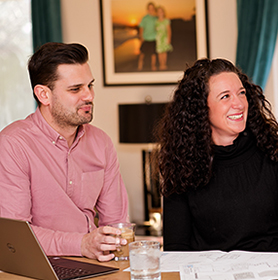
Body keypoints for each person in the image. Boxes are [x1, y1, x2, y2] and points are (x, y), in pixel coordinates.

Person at [156, 58, 278, 252]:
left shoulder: (274, 151)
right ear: (201, 108)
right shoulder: (182, 163)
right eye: (225, 96)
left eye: (241, 93)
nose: (239, 104)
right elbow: (176, 248)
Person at [0, 42, 129, 262]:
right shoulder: (13, 144)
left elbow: (117, 223)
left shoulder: (101, 143)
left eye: (90, 85)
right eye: (75, 89)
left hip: (96, 265)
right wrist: (82, 244)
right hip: (36, 267)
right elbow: (16, 237)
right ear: (44, 95)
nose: (89, 96)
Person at [138, 2, 158, 71]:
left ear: (154, 9)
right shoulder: (144, 18)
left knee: (153, 54)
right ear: (147, 9)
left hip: (153, 38)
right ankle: (140, 66)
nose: (151, 10)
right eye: (149, 8)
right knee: (142, 53)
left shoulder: (156, 18)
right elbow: (141, 28)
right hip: (145, 38)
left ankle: (153, 66)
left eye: (152, 8)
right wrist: (141, 37)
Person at [155, 6, 173, 71]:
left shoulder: (166, 20)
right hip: (159, 38)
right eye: (158, 12)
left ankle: (164, 64)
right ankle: (161, 64)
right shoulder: (156, 21)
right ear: (157, 13)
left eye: (161, 11)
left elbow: (169, 30)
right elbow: (155, 30)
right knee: (159, 52)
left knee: (164, 52)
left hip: (165, 37)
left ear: (163, 12)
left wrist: (169, 38)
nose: (160, 13)